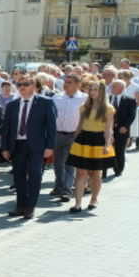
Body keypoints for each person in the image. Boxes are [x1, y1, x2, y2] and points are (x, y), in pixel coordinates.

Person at [0, 74, 56, 220]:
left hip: (37, 146)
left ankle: (30, 206)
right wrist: (5, 147)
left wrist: (50, 146)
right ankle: (20, 205)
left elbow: (51, 127)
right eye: (19, 85)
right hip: (17, 145)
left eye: (26, 84)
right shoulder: (12, 105)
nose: (22, 87)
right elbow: (7, 129)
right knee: (19, 177)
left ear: (35, 86)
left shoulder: (45, 102)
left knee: (35, 174)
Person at [67, 76, 114, 213]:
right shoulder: (84, 107)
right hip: (83, 140)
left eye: (96, 90)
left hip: (98, 140)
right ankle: (78, 203)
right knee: (80, 173)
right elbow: (79, 126)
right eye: (91, 89)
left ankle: (94, 199)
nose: (92, 92)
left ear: (102, 92)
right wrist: (73, 141)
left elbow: (108, 129)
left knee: (95, 173)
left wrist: (107, 145)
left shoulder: (108, 109)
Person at [50, 73, 87, 202]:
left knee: (70, 163)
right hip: (57, 134)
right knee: (58, 163)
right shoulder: (56, 97)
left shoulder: (84, 99)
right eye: (65, 82)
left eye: (69, 82)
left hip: (75, 135)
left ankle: (67, 190)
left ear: (78, 84)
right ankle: (58, 186)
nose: (66, 84)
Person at [106, 79, 136, 177]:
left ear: (122, 88)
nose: (112, 88)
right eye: (112, 86)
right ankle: (103, 171)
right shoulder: (106, 99)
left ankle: (118, 169)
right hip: (107, 129)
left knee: (119, 150)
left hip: (121, 129)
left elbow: (132, 115)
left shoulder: (129, 100)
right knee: (105, 149)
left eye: (114, 86)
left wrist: (125, 126)